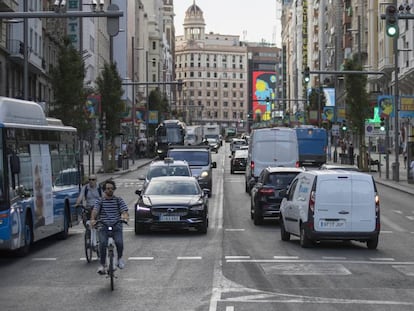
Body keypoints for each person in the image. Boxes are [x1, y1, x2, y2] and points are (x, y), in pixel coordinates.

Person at [90, 179, 129, 274]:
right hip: (103, 226)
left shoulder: (118, 200)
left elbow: (124, 211)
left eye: (112, 188)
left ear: (114, 189)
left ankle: (119, 259)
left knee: (119, 243)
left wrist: (125, 218)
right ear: (104, 190)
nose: (110, 190)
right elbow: (95, 211)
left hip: (116, 226)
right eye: (107, 188)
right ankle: (102, 265)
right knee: (103, 244)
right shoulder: (100, 201)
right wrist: (93, 219)